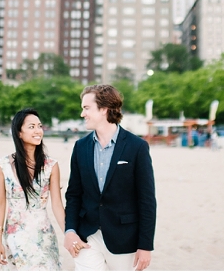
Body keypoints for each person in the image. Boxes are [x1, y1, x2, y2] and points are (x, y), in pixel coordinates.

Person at [64, 84, 156, 271]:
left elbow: (146, 200)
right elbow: (73, 194)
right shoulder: (80, 147)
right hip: (87, 236)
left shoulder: (137, 146)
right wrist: (70, 230)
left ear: (104, 109)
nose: (82, 114)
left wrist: (145, 245)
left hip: (124, 238)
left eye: (86, 108)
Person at [0, 108, 64, 270]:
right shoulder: (3, 165)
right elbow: (0, 204)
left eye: (39, 126)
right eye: (31, 127)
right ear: (19, 133)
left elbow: (57, 205)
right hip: (15, 237)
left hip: (43, 236)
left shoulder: (51, 165)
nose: (38, 131)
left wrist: (69, 234)